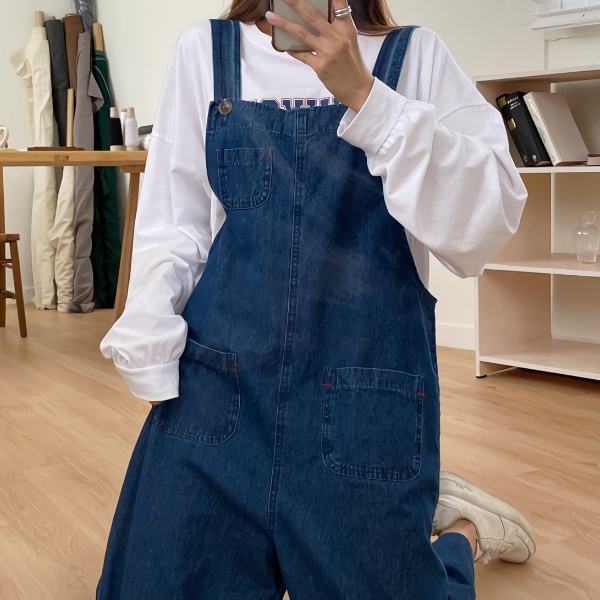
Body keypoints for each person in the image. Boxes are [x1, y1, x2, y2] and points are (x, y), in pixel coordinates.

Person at [96, 0, 535, 598]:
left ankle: (462, 532)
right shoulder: (206, 51)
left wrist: (367, 98)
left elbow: (485, 226)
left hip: (366, 417)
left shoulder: (417, 57)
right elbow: (177, 224)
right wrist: (148, 334)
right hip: (216, 398)